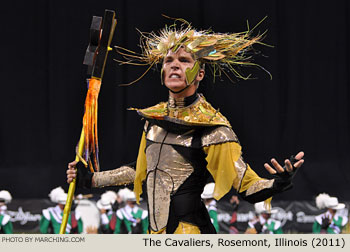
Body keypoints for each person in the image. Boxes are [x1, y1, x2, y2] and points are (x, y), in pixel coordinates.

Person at [67, 19, 305, 234]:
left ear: (200, 73)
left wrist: (278, 183)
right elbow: (140, 170)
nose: (174, 65)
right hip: (155, 236)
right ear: (162, 71)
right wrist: (91, 179)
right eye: (168, 60)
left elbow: (245, 185)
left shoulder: (214, 127)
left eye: (184, 60)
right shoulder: (153, 120)